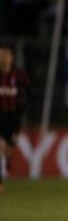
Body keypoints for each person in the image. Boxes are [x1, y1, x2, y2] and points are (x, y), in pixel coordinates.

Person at [0, 44, 29, 193]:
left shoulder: (18, 75)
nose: (3, 57)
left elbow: (26, 93)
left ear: (11, 57)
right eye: (1, 54)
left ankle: (6, 164)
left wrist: (22, 109)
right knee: (0, 146)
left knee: (8, 150)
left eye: (5, 54)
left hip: (13, 117)